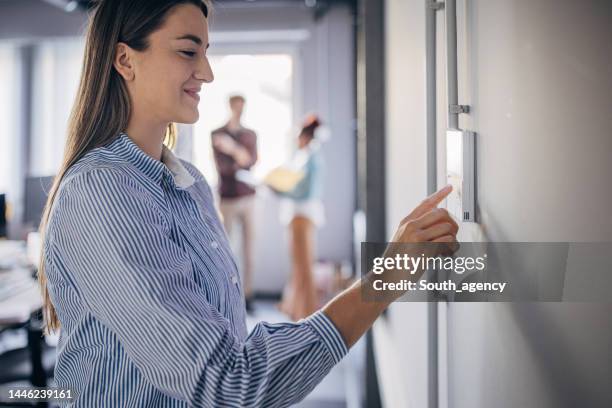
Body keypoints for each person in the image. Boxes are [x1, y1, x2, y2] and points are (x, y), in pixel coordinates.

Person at [37, 1, 459, 407]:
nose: (206, 73)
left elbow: (228, 343)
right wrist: (384, 281)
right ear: (124, 60)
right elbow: (229, 383)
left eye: (206, 53)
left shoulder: (190, 183)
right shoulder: (100, 191)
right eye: (188, 51)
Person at [274, 115, 325, 320]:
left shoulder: (310, 157)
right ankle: (296, 309)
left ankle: (307, 313)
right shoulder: (304, 156)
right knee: (298, 266)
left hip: (302, 215)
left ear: (304, 136)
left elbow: (303, 191)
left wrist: (279, 189)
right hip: (299, 215)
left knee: (304, 267)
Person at [211, 95, 257, 311]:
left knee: (250, 249)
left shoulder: (250, 134)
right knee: (226, 249)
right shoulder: (217, 134)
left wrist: (231, 149)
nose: (239, 110)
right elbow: (223, 169)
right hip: (227, 198)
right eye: (236, 106)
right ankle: (229, 296)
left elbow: (251, 160)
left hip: (248, 197)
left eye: (242, 107)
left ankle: (248, 296)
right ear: (230, 106)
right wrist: (239, 159)